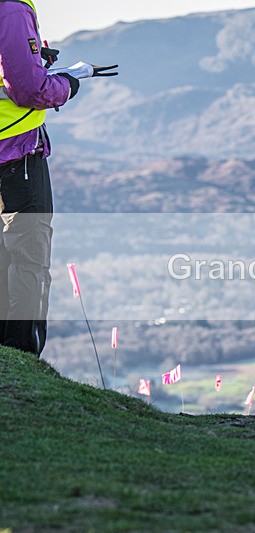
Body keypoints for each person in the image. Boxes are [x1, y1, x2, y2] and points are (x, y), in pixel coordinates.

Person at [0, 0, 117, 355]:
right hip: (15, 152)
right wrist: (67, 82)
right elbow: (30, 91)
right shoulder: (12, 9)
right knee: (27, 260)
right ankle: (22, 357)